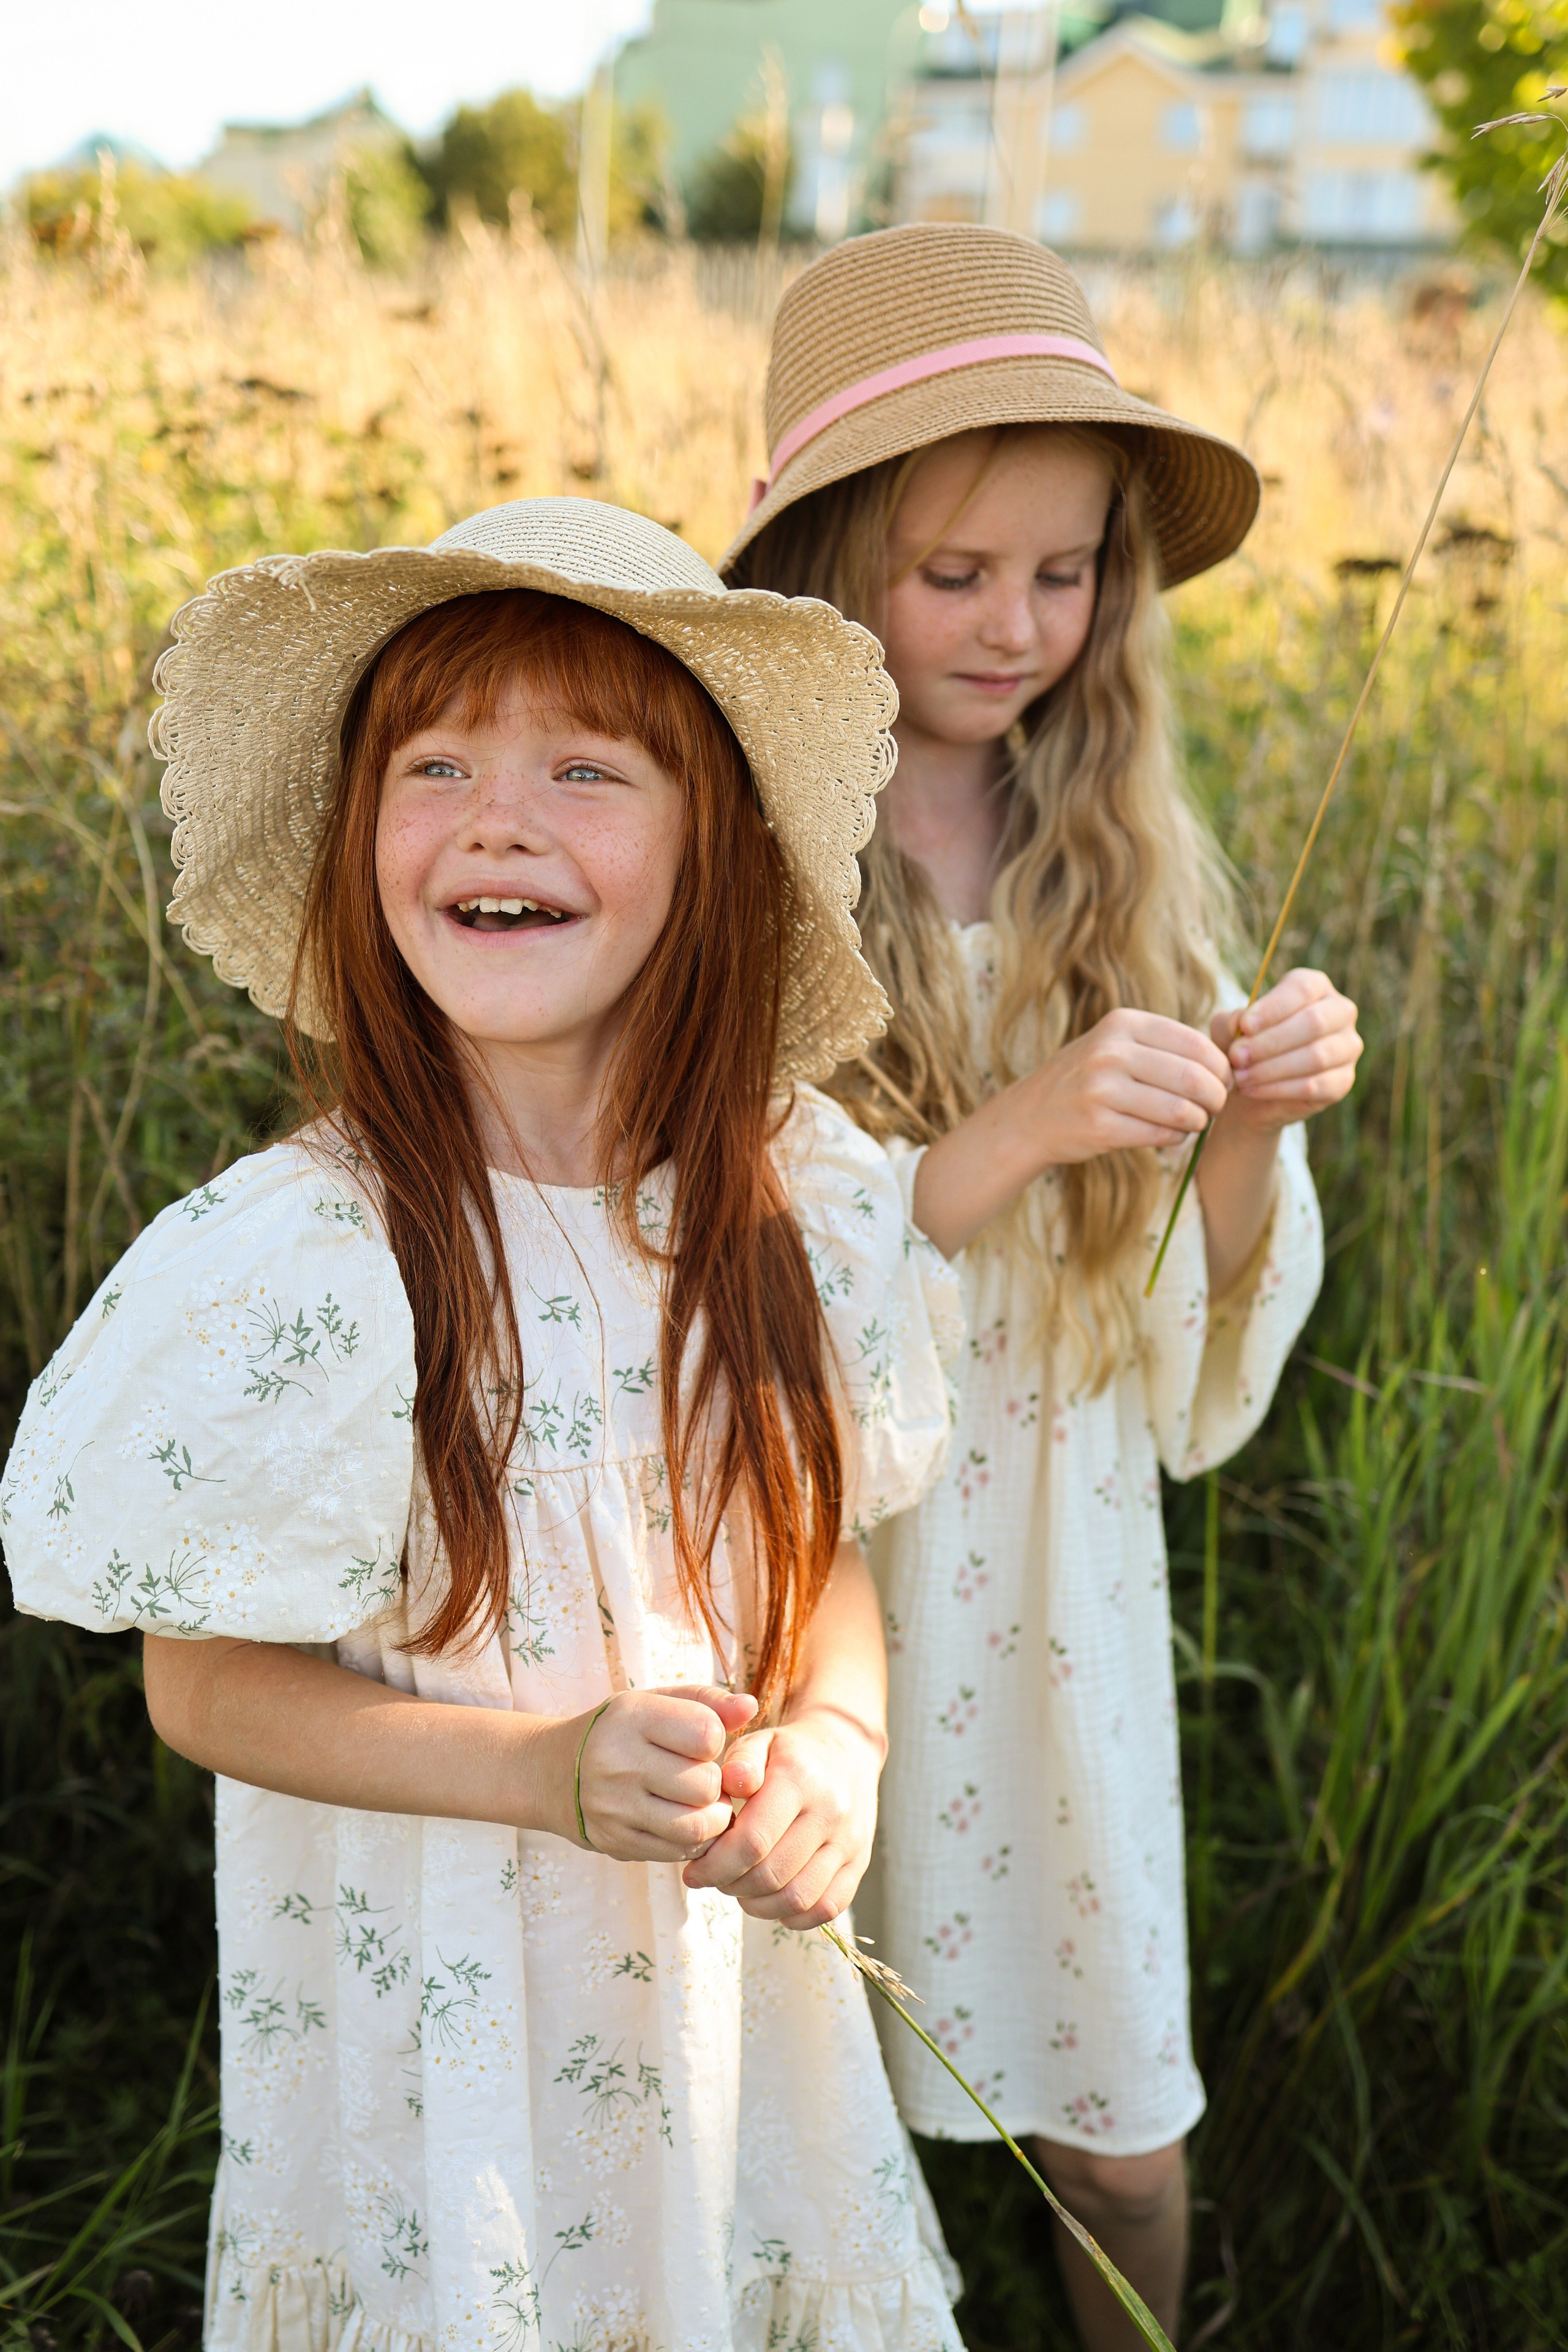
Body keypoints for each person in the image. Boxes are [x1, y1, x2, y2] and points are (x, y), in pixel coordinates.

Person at [2, 499, 971, 2352]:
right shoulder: (305, 1258)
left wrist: (840, 1749)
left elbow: (820, 1544)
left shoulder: (776, 1208)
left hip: (716, 2007)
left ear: (715, 859)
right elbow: (200, 1689)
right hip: (440, 2033)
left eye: (585, 769)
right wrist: (542, 1772)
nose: (497, 819)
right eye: (432, 764)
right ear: (364, 838)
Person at [725, 227, 1363, 2351]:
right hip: (820, 1560)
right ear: (836, 566)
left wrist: (1247, 1125)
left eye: (1066, 571)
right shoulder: (752, 861)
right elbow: (737, 1274)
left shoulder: (1127, 865)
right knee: (788, 2107)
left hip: (1055, 1571)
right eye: (954, 571)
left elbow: (1191, 1392)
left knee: (1111, 2131)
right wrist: (1020, 1126)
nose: (1017, 626)